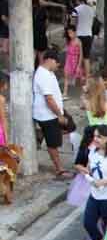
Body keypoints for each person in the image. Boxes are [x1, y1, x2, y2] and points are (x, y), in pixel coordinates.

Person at [32, 49, 69, 178]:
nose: (57, 67)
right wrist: (59, 115)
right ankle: (59, 169)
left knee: (70, 126)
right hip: (48, 115)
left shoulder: (49, 73)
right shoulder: (43, 75)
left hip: (53, 112)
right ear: (51, 60)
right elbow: (49, 99)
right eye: (57, 64)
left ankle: (40, 134)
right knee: (52, 143)